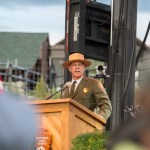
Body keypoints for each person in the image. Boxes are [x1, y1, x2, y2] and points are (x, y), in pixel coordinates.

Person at [61, 52, 112, 120]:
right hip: (66, 127)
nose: (77, 67)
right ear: (70, 68)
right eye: (74, 65)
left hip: (87, 127)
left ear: (84, 68)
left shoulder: (94, 84)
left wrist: (98, 118)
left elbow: (106, 106)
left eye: (80, 65)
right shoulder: (65, 87)